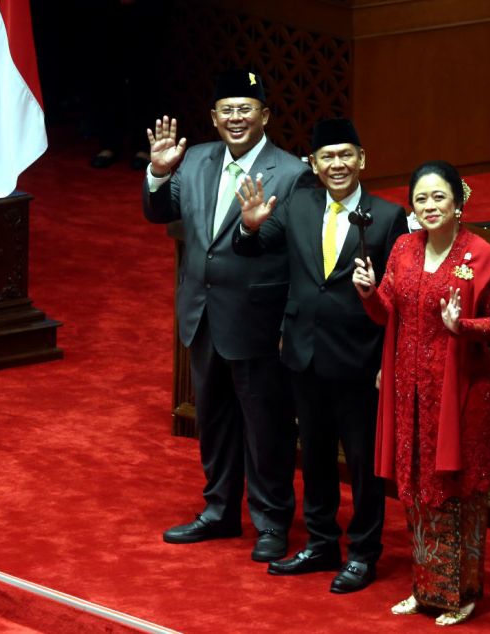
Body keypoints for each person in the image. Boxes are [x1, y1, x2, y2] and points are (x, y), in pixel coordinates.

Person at [232, 118, 408, 594]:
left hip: (360, 360)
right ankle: (321, 542)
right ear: (313, 164)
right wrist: (248, 228)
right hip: (304, 355)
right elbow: (257, 245)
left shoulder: (389, 217)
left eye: (345, 155)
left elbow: (399, 299)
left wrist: (385, 362)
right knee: (314, 457)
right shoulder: (299, 204)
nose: (337, 165)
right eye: (326, 157)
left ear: (362, 159)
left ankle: (364, 552)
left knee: (364, 464)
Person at [143, 69, 311, 563]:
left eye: (246, 109)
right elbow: (160, 213)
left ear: (265, 116)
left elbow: (290, 249)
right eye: (227, 111)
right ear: (214, 118)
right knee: (212, 421)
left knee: (265, 426)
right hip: (202, 312)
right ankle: (219, 510)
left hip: (258, 317)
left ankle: (272, 521)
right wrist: (157, 173)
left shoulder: (291, 172)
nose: (236, 118)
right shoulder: (194, 160)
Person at [352, 160, 490, 626]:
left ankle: (461, 591)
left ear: (459, 202)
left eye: (439, 197)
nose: (430, 206)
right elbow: (385, 314)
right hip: (409, 392)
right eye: (421, 198)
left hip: (461, 394)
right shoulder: (403, 248)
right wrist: (369, 293)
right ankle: (426, 587)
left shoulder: (481, 255)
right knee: (416, 489)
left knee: (456, 490)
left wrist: (466, 325)